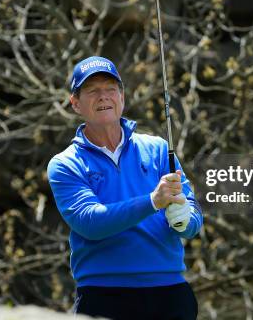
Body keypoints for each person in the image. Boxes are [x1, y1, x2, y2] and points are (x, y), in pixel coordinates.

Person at [47, 56, 203, 320]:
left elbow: (194, 217)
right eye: (92, 90)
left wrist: (185, 219)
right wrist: (153, 201)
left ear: (122, 97)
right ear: (75, 103)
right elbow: (90, 222)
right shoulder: (65, 164)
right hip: (104, 296)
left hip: (170, 294)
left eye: (110, 89)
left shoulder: (158, 149)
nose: (103, 96)